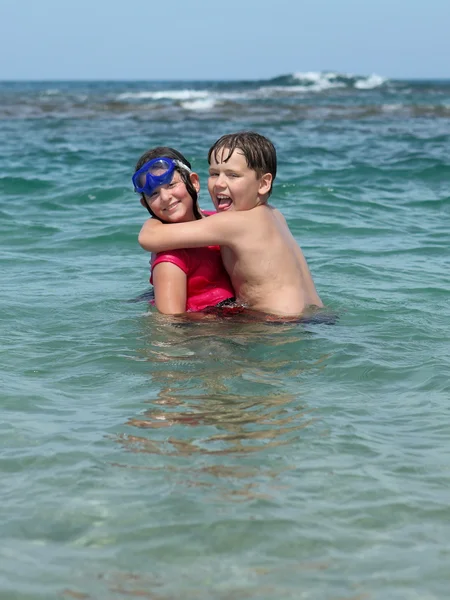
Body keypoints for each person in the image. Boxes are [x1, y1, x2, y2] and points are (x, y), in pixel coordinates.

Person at [138, 132, 323, 318]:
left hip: (279, 324)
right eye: (214, 174)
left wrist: (152, 220)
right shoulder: (274, 214)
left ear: (264, 183)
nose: (219, 183)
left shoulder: (233, 224)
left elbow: (149, 238)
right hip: (318, 317)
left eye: (233, 175)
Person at [133, 146, 235, 314]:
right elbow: (170, 326)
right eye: (154, 194)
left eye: (171, 184)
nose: (165, 198)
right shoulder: (169, 259)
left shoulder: (216, 219)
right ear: (146, 204)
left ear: (194, 182)